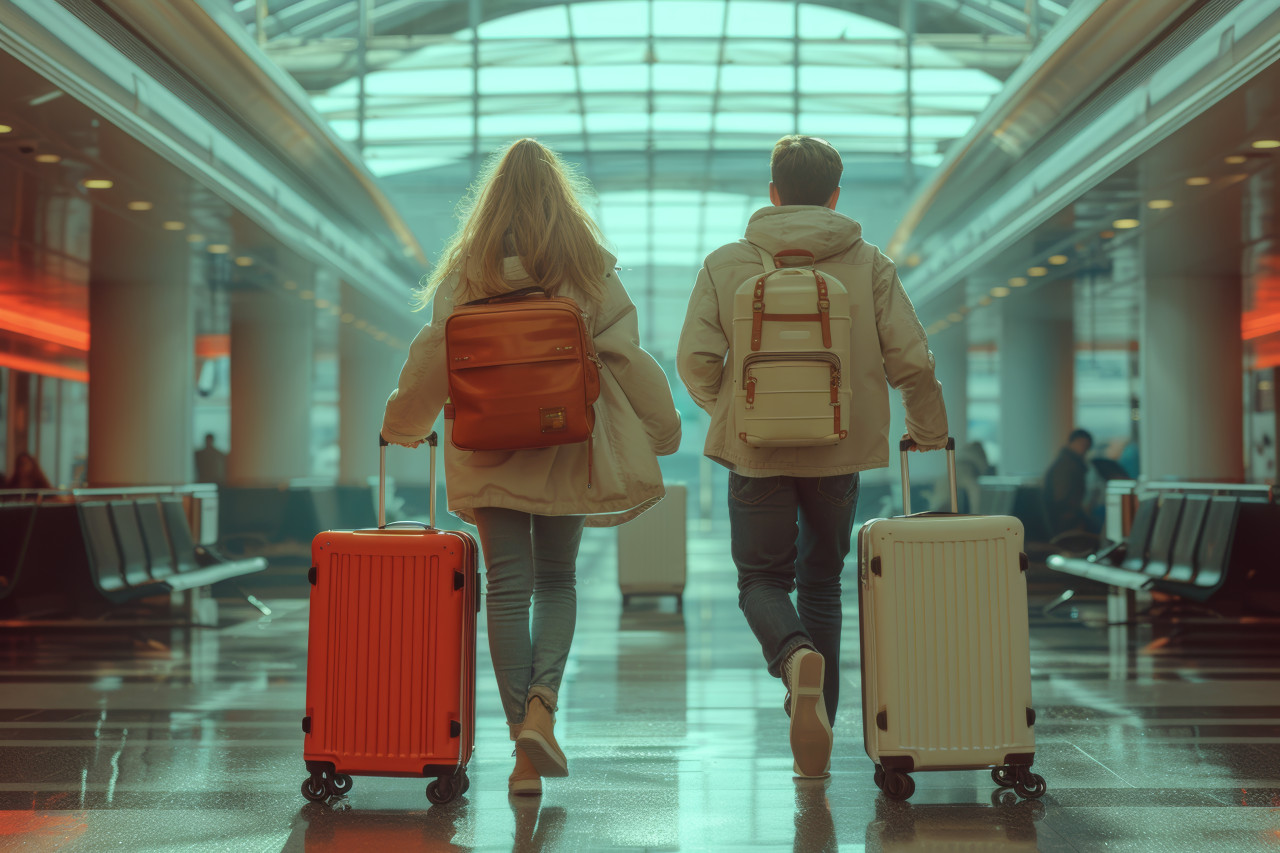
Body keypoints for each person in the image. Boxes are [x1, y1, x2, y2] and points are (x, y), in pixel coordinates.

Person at [381, 138, 681, 797]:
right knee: (557, 582)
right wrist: (663, 427)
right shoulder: (586, 266)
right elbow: (627, 355)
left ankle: (523, 742)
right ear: (559, 198)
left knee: (508, 588)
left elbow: (435, 353)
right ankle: (542, 706)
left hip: (485, 443)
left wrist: (403, 422)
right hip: (564, 441)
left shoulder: (468, 270)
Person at [676, 135, 949, 778]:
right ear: (834, 196)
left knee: (761, 581)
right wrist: (929, 431)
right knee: (823, 581)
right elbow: (912, 360)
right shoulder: (871, 264)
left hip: (756, 451)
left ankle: (792, 654)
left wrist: (735, 412)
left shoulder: (726, 264)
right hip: (838, 451)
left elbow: (693, 361)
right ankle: (819, 727)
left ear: (772, 193)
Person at [1043, 428, 1095, 536]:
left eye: (1086, 446)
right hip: (1066, 520)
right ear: (1072, 442)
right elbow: (1060, 496)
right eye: (1081, 444)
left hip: (1068, 518)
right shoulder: (1066, 466)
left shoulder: (1069, 463)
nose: (1083, 448)